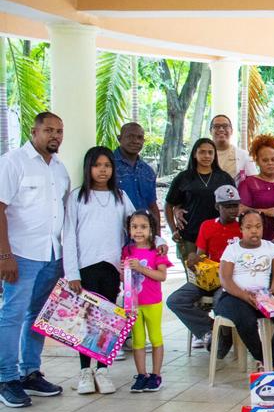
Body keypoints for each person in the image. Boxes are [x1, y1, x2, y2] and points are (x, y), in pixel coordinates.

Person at [0, 113, 68, 407]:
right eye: (49, 130)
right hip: (22, 255)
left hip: (52, 255)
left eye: (59, 131)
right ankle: (6, 378)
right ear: (34, 131)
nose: (55, 136)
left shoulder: (60, 169)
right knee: (12, 315)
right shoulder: (14, 162)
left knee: (39, 317)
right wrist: (5, 255)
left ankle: (30, 372)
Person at [64, 146, 138, 394]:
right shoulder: (77, 197)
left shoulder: (120, 196)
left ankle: (103, 369)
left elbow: (136, 224)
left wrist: (154, 244)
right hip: (85, 268)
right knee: (86, 320)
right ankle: (86, 371)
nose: (103, 170)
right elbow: (69, 236)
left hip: (112, 267)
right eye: (97, 165)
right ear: (89, 168)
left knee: (109, 320)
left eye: (107, 165)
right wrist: (72, 273)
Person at [215, 211, 274, 370]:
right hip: (235, 296)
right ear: (241, 229)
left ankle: (269, 360)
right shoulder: (232, 250)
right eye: (249, 227)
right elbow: (225, 279)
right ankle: (263, 359)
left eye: (258, 227)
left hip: (263, 297)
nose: (254, 231)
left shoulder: (270, 247)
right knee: (246, 321)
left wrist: (273, 290)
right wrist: (244, 295)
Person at [166, 185, 242, 350]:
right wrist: (194, 258)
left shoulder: (243, 228)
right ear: (217, 207)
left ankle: (224, 336)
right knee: (175, 300)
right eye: (227, 206)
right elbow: (201, 255)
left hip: (228, 280)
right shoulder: (207, 226)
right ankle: (211, 329)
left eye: (235, 205)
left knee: (219, 301)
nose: (232, 210)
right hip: (207, 278)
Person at [165, 138, 234, 262]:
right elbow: (168, 205)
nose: (206, 156)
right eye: (202, 152)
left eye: (210, 152)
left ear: (215, 155)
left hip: (218, 236)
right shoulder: (183, 178)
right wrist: (173, 229)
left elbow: (234, 205)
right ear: (195, 154)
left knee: (219, 276)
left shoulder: (224, 178)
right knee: (193, 277)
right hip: (189, 236)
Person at [124, 210, 171, 393]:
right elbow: (125, 278)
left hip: (152, 302)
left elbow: (161, 276)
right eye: (134, 227)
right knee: (138, 340)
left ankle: (156, 374)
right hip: (133, 304)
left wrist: (141, 269)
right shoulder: (127, 251)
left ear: (152, 230)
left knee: (155, 337)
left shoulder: (157, 251)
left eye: (143, 227)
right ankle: (141, 374)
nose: (138, 231)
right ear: (129, 230)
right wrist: (124, 271)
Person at [238, 134, 274, 240]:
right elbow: (242, 212)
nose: (270, 163)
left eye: (273, 159)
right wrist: (267, 212)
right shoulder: (248, 184)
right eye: (265, 160)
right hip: (258, 239)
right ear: (257, 161)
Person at [114, 122, 160, 222]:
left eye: (140, 137)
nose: (135, 141)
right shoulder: (109, 165)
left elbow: (152, 205)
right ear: (119, 138)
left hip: (141, 232)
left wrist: (156, 235)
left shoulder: (148, 171)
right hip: (116, 229)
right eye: (130, 136)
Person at [208, 114, 257, 180]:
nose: (221, 129)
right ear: (210, 131)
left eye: (225, 126)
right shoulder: (203, 155)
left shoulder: (244, 155)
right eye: (216, 126)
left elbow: (253, 181)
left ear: (231, 131)